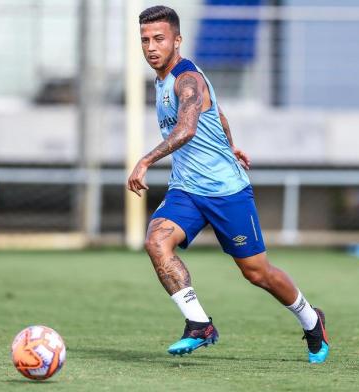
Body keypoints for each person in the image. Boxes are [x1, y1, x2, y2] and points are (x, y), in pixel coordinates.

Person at [127, 5, 329, 363]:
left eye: (159, 38)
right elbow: (215, 112)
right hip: (187, 190)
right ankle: (198, 323)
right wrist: (230, 143)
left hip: (226, 192)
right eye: (145, 39)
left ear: (177, 40)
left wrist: (146, 159)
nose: (151, 46)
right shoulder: (161, 80)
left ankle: (312, 320)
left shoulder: (187, 78)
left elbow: (187, 128)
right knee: (156, 241)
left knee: (257, 273)